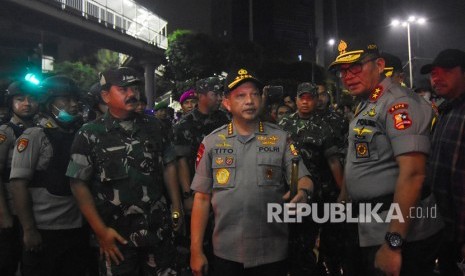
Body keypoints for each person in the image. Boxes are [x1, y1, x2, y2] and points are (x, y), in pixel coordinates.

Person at [328, 40, 443, 276]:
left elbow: (413, 174)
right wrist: (344, 199)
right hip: (372, 226)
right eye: (343, 71)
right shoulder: (369, 101)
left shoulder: (398, 103)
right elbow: (361, 158)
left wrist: (393, 244)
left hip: (400, 235)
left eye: (355, 67)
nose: (347, 76)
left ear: (379, 65)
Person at [190, 68, 314, 276]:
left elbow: (304, 178)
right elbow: (201, 199)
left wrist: (303, 192)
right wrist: (195, 250)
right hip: (226, 254)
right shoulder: (211, 142)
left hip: (272, 253)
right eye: (241, 95)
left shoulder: (280, 139)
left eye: (254, 94)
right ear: (227, 103)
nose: (249, 101)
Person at [66, 67, 182, 275]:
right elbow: (78, 184)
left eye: (134, 88)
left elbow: (169, 165)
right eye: (123, 89)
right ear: (105, 95)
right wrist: (101, 232)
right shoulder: (89, 134)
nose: (132, 94)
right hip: (117, 237)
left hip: (158, 231)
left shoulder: (155, 126)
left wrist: (177, 205)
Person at [10, 75, 89, 276]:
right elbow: (18, 185)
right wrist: (28, 230)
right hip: (44, 231)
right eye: (65, 99)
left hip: (75, 230)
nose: (73, 105)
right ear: (49, 102)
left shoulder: (80, 135)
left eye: (74, 99)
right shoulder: (34, 136)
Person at [279, 82, 344, 275]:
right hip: (288, 192)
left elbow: (333, 161)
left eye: (310, 98)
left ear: (316, 100)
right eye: (302, 98)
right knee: (289, 241)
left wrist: (343, 192)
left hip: (316, 194)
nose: (305, 102)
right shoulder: (284, 124)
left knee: (310, 242)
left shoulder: (324, 127)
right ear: (296, 100)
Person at [420, 49, 465, 276]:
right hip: (445, 229)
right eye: (433, 73)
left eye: (446, 71)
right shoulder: (446, 112)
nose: (437, 78)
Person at [0, 80, 40, 276]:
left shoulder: (41, 131)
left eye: (32, 98)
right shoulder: (5, 132)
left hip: (34, 210)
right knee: (8, 262)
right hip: (11, 212)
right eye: (20, 99)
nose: (27, 103)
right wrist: (3, 214)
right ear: (11, 102)